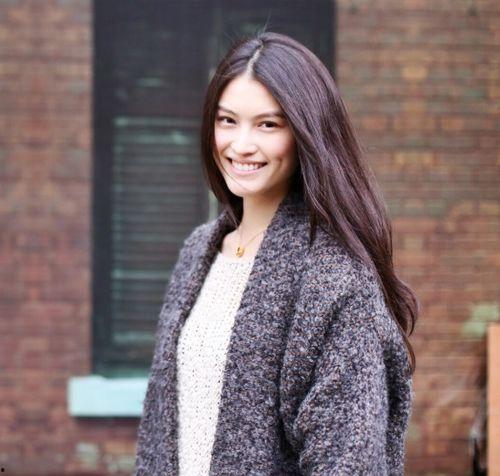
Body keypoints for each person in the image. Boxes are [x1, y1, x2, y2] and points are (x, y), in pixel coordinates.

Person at [134, 30, 418, 475]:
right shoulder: (198, 252)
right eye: (227, 120)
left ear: (306, 133)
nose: (241, 144)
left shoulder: (334, 278)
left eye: (267, 125)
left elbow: (349, 459)